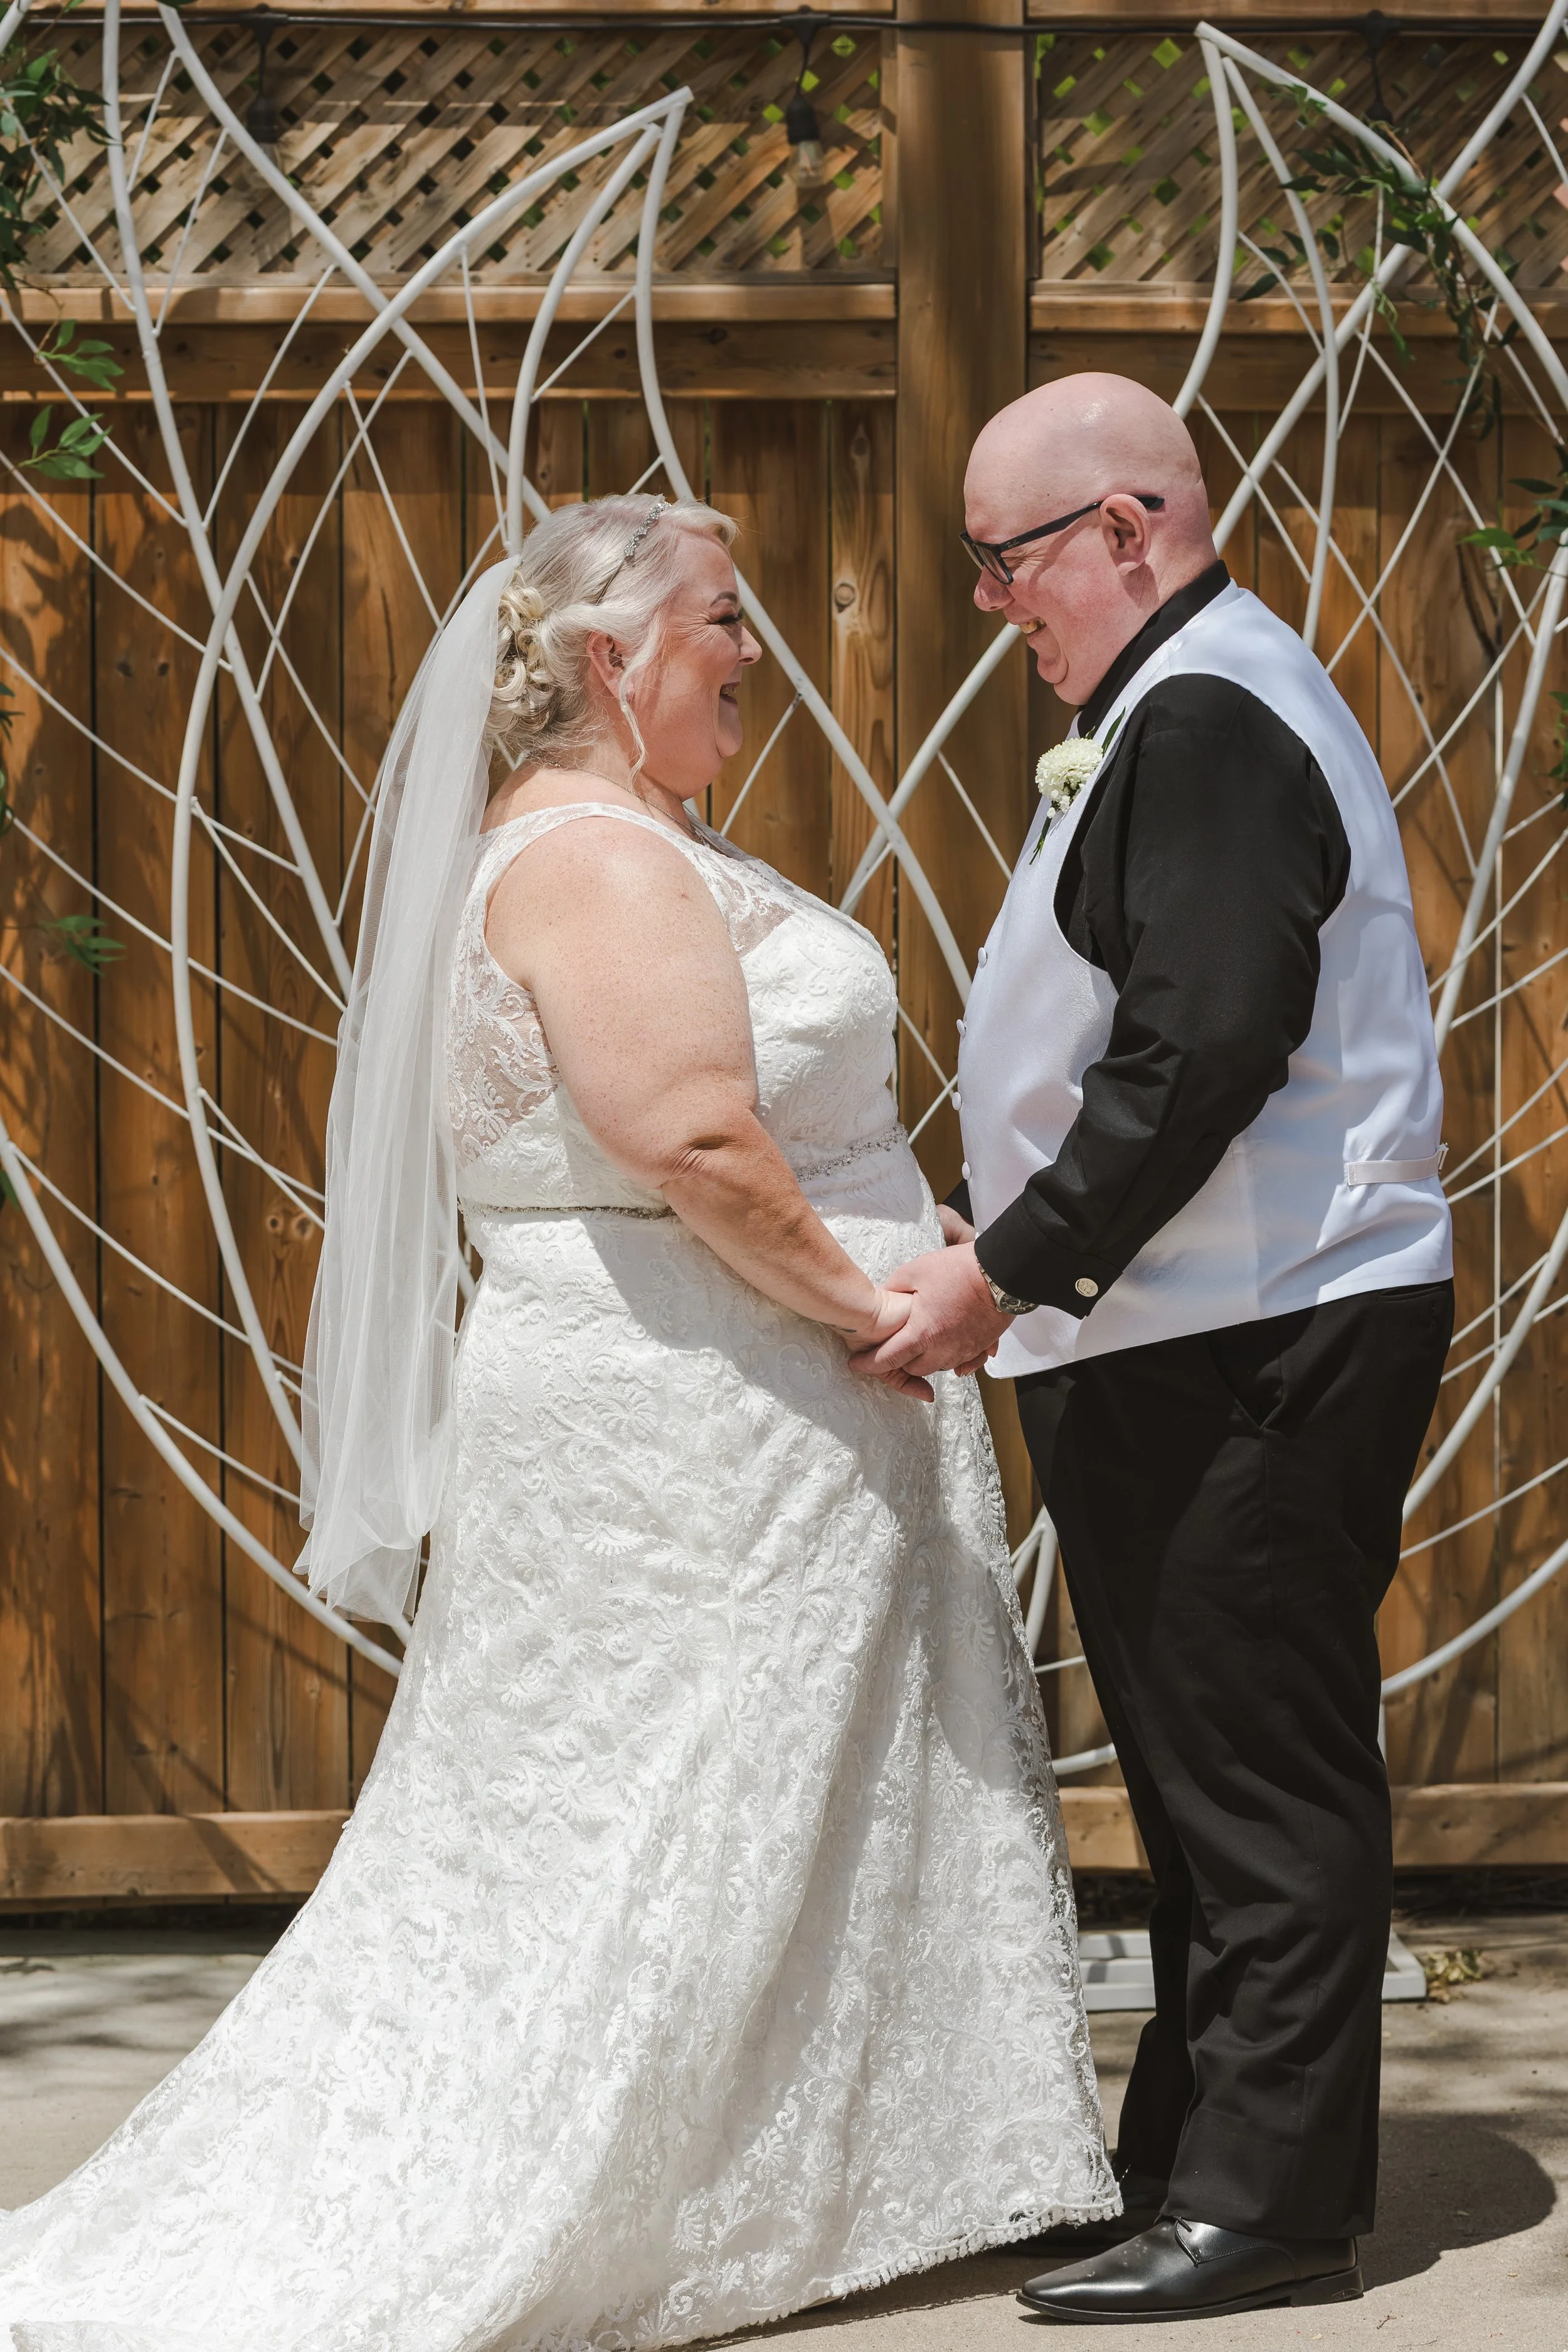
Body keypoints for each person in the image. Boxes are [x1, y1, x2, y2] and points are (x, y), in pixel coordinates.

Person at [0, 494, 1116, 2350]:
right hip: (689, 1409)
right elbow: (680, 1133)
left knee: (720, 1792)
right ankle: (568, 2178)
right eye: (725, 623)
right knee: (646, 1809)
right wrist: (878, 1306)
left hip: (701, 1391)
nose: (759, 656)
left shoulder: (606, 836)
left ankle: (787, 2176)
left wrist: (882, 1213)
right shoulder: (595, 857)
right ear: (614, 658)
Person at [854, 376, 1453, 2323]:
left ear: (1132, 528)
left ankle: (1267, 2204)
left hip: (1255, 1336)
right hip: (1192, 1325)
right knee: (1205, 1775)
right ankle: (1186, 2162)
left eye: (1009, 561)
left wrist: (1007, 1266)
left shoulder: (1207, 714)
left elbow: (1204, 1038)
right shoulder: (1177, 700)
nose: (991, 605)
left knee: (1259, 1774)